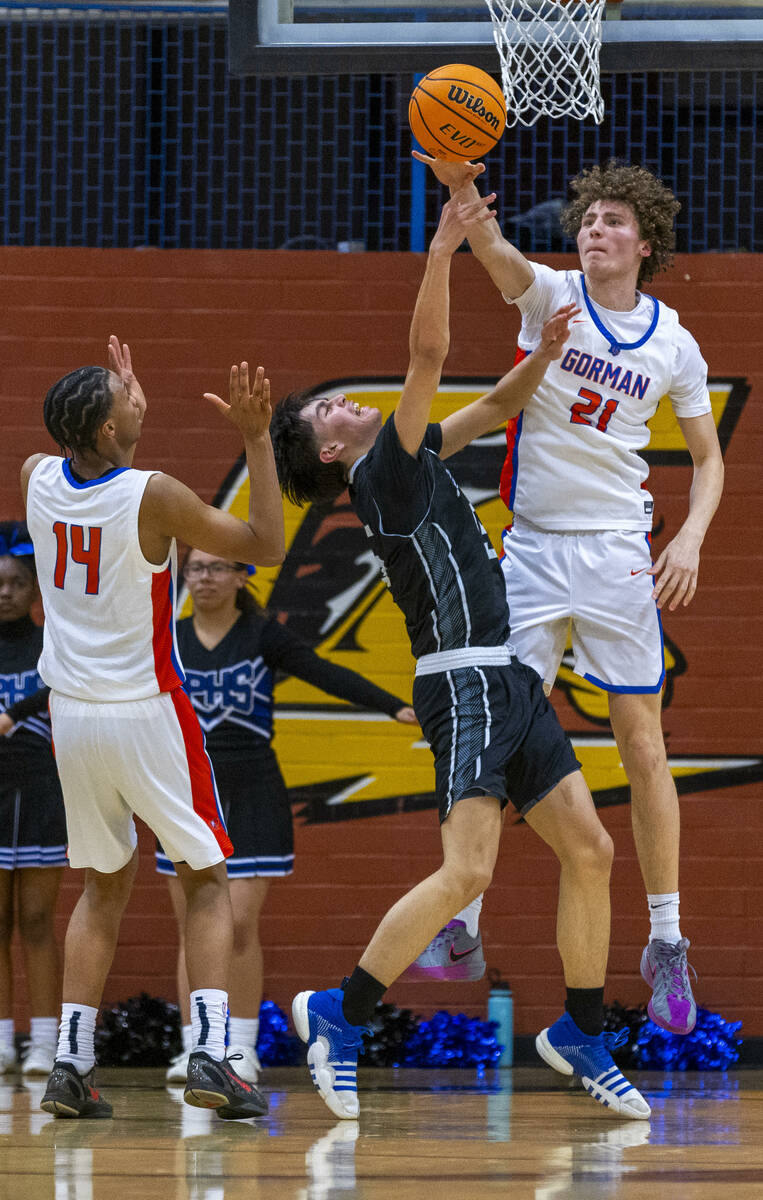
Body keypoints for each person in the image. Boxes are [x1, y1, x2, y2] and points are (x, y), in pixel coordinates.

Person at [271, 194, 651, 1122]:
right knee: (468, 872)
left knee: (592, 851)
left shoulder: (413, 457)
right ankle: (340, 1010)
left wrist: (546, 357)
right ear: (330, 445)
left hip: (508, 676)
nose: (346, 398)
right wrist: (441, 249)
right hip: (464, 681)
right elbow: (431, 359)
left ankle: (580, 1032)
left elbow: (486, 406)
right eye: (331, 405)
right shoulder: (380, 469)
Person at [411, 153, 724, 1036]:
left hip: (621, 551)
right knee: (496, 736)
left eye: (613, 221)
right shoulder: (548, 297)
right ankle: (464, 920)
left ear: (645, 241)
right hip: (536, 552)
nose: (594, 230)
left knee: (641, 743)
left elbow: (706, 458)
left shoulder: (675, 343)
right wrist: (456, 185)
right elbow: (490, 244)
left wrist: (691, 536)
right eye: (587, 220)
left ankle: (665, 937)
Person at [21, 338, 285, 1120]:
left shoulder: (36, 477)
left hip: (70, 717)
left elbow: (72, 453)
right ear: (106, 433)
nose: (137, 395)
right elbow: (264, 545)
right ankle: (210, 1055)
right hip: (146, 708)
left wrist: (112, 401)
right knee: (204, 878)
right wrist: (257, 437)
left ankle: (69, 1065)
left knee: (102, 885)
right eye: (124, 395)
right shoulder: (153, 495)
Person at [162, 546, 417, 1084]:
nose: (204, 578)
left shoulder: (262, 634)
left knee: (236, 924)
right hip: (186, 792)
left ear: (240, 574)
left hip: (254, 787)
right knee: (192, 925)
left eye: (216, 567)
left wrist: (392, 705)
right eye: (195, 569)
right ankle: (193, 1048)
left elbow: (321, 671)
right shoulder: (169, 638)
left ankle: (240, 1047)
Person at [0, 522, 66, 1077]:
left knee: (38, 919)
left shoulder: (52, 643)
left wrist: (15, 714)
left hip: (43, 794)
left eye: (16, 582)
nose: (4, 592)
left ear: (35, 590)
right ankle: (2, 1039)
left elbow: (65, 679)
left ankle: (45, 1041)